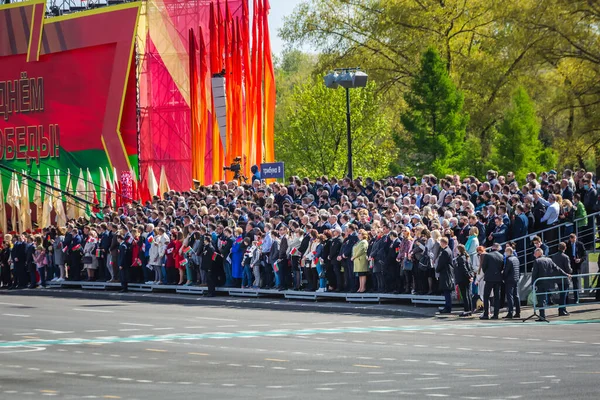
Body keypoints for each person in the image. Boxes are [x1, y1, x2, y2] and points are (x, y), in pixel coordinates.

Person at [532, 248, 571, 321]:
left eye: (535, 253)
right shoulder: (549, 260)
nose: (534, 254)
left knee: (541, 299)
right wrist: (566, 274)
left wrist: (532, 284)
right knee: (544, 299)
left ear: (539, 253)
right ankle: (542, 315)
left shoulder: (537, 261)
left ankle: (542, 315)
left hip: (540, 283)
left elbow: (534, 274)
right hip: (548, 283)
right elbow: (557, 268)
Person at [480, 243, 504, 320]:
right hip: (498, 278)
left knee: (486, 296)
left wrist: (487, 273)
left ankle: (486, 314)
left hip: (489, 278)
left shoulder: (488, 255)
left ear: (492, 247)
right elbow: (502, 267)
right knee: (497, 296)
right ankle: (496, 314)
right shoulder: (501, 256)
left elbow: (484, 267)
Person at [551, 242, 572, 316]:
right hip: (564, 277)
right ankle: (562, 310)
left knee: (562, 294)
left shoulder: (554, 256)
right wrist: (570, 271)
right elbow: (568, 268)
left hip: (557, 277)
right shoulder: (565, 257)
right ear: (565, 248)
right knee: (564, 294)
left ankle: (563, 309)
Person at [436, 237, 454, 314]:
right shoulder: (447, 250)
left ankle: (448, 307)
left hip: (445, 272)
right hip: (446, 272)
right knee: (446, 291)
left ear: (443, 243)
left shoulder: (445, 252)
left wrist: (437, 269)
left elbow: (441, 263)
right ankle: (447, 306)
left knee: (446, 290)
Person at [454, 244, 473, 316]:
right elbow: (470, 268)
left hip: (462, 278)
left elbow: (464, 268)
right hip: (466, 278)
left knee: (465, 295)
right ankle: (469, 310)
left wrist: (468, 276)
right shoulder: (466, 257)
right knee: (468, 294)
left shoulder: (460, 258)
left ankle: (467, 310)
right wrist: (470, 276)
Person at [567, 233, 586, 304]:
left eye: (574, 240)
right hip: (569, 266)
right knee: (567, 283)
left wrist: (580, 259)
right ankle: (566, 299)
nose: (573, 241)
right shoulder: (567, 244)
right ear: (570, 239)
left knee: (576, 283)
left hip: (577, 266)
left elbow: (585, 255)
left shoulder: (580, 244)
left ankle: (576, 299)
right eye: (572, 240)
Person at [503, 246, 520, 319]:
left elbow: (506, 271)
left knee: (510, 296)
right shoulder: (516, 259)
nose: (505, 253)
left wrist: (503, 277)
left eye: (506, 252)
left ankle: (510, 312)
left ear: (508, 252)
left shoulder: (509, 260)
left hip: (509, 280)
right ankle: (518, 312)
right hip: (516, 278)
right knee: (516, 295)